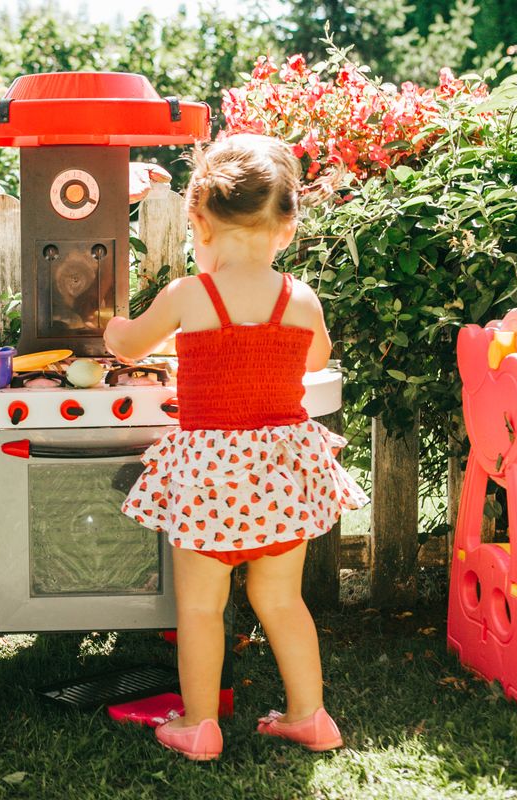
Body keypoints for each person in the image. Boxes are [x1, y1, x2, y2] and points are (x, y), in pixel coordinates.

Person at [105, 134, 368, 761]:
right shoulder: (298, 298)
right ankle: (310, 716)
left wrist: (112, 324)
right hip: (281, 468)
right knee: (280, 598)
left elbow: (130, 346)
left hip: (212, 472)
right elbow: (317, 357)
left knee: (199, 604)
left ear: (198, 220)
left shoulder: (190, 296)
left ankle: (198, 725)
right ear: (287, 225)